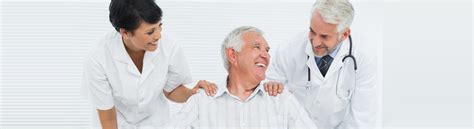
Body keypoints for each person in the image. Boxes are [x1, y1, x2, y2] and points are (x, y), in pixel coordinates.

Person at [82, 0, 217, 128]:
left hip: (156, 123)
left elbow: (171, 91)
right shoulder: (98, 57)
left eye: (160, 26)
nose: (158, 36)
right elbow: (108, 118)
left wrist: (193, 93)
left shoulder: (170, 47)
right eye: (150, 32)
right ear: (125, 33)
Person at [165, 26, 317, 129]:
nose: (266, 55)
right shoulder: (202, 100)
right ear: (232, 55)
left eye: (267, 50)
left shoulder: (280, 98)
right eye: (256, 47)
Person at [265, 0, 377, 128]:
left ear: (344, 34)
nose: (315, 42)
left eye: (324, 36)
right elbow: (269, 94)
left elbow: (362, 119)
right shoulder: (290, 49)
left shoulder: (363, 56)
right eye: (312, 31)